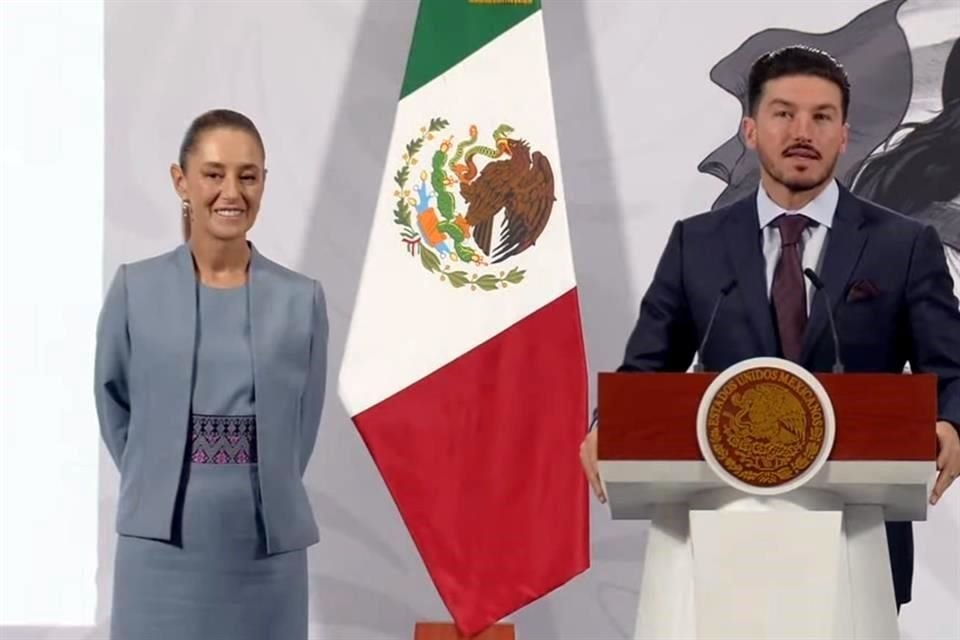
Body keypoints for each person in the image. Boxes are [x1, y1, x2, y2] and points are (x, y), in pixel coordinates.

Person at [579, 46, 960, 611]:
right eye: (784, 113)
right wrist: (607, 425)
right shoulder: (697, 244)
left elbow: (951, 370)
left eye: (822, 116)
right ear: (751, 130)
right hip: (715, 537)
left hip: (855, 547)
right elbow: (646, 372)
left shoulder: (903, 246)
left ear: (845, 134)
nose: (802, 131)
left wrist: (952, 422)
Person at [95, 109, 328, 639]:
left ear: (264, 183)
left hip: (266, 551)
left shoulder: (301, 299)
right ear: (182, 181)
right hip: (159, 550)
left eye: (248, 175)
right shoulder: (136, 289)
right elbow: (113, 405)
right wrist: (157, 470)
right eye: (214, 173)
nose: (231, 191)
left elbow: (302, 425)